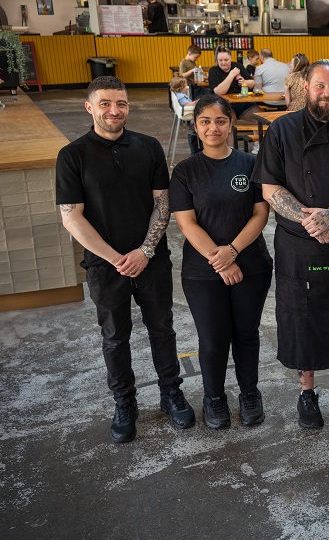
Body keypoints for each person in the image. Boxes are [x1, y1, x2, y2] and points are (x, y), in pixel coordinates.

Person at [56, 76, 194, 443]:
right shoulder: (72, 156)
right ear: (90, 107)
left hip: (151, 260)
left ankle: (171, 392)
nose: (114, 111)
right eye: (105, 104)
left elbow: (163, 202)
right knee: (115, 338)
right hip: (106, 266)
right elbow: (72, 216)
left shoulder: (149, 148)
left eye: (121, 104)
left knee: (162, 329)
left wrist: (145, 251)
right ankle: (124, 402)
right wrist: (118, 258)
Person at [252, 59, 329, 428]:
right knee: (300, 318)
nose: (327, 93)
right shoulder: (282, 130)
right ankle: (306, 392)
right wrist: (314, 221)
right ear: (306, 86)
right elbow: (270, 188)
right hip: (298, 243)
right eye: (320, 86)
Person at [169, 95, 273, 429]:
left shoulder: (249, 164)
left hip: (251, 264)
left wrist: (234, 251)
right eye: (205, 122)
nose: (213, 128)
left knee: (246, 333)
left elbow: (261, 213)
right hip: (203, 272)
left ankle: (249, 392)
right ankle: (214, 397)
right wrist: (222, 261)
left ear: (230, 124)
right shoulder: (185, 172)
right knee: (212, 338)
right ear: (196, 126)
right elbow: (186, 223)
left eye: (220, 121)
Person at [208, 47, 257, 121]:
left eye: (226, 60)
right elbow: (219, 91)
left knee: (259, 118)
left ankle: (259, 133)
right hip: (223, 104)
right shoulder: (213, 70)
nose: (223, 63)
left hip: (242, 102)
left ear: (231, 58)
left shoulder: (238, 66)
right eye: (220, 60)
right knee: (230, 121)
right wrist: (231, 75)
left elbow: (252, 83)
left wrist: (245, 82)